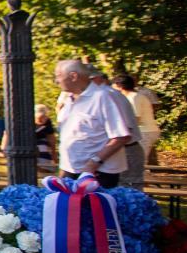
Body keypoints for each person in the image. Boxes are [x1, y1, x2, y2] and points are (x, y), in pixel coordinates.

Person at [54, 60, 132, 188]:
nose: (56, 81)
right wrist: (64, 170)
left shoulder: (103, 97)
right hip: (72, 169)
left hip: (98, 172)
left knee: (93, 202)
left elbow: (121, 136)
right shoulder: (69, 100)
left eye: (58, 76)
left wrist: (94, 163)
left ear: (73, 76)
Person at [88, 68, 145, 187]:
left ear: (96, 79)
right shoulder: (94, 96)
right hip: (111, 152)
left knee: (128, 191)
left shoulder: (110, 95)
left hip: (125, 150)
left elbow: (124, 132)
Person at [113, 74, 160, 162]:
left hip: (145, 132)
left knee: (138, 161)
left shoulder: (134, 97)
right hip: (139, 132)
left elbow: (135, 119)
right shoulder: (129, 97)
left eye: (114, 85)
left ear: (119, 86)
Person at [35, 104, 57, 171]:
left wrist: (54, 155)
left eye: (44, 117)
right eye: (40, 117)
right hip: (29, 143)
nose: (42, 119)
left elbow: (51, 138)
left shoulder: (47, 122)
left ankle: (45, 167)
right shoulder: (27, 121)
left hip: (42, 144)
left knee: (43, 145)